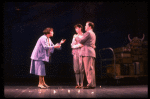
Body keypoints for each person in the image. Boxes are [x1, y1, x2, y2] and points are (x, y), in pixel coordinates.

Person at [74, 21, 96, 89]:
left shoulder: (88, 33)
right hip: (90, 52)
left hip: (87, 53)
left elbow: (81, 40)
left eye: (86, 26)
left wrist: (76, 37)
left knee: (88, 69)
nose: (85, 27)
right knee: (91, 69)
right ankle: (92, 84)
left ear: (89, 27)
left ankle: (90, 84)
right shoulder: (93, 33)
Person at [71, 24, 84, 88]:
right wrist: (78, 45)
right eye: (75, 29)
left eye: (77, 28)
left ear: (80, 28)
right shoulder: (75, 36)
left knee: (81, 68)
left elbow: (84, 45)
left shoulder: (84, 35)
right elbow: (72, 45)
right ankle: (77, 83)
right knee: (76, 68)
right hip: (76, 52)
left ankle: (82, 84)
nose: (76, 30)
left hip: (82, 52)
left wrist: (79, 45)